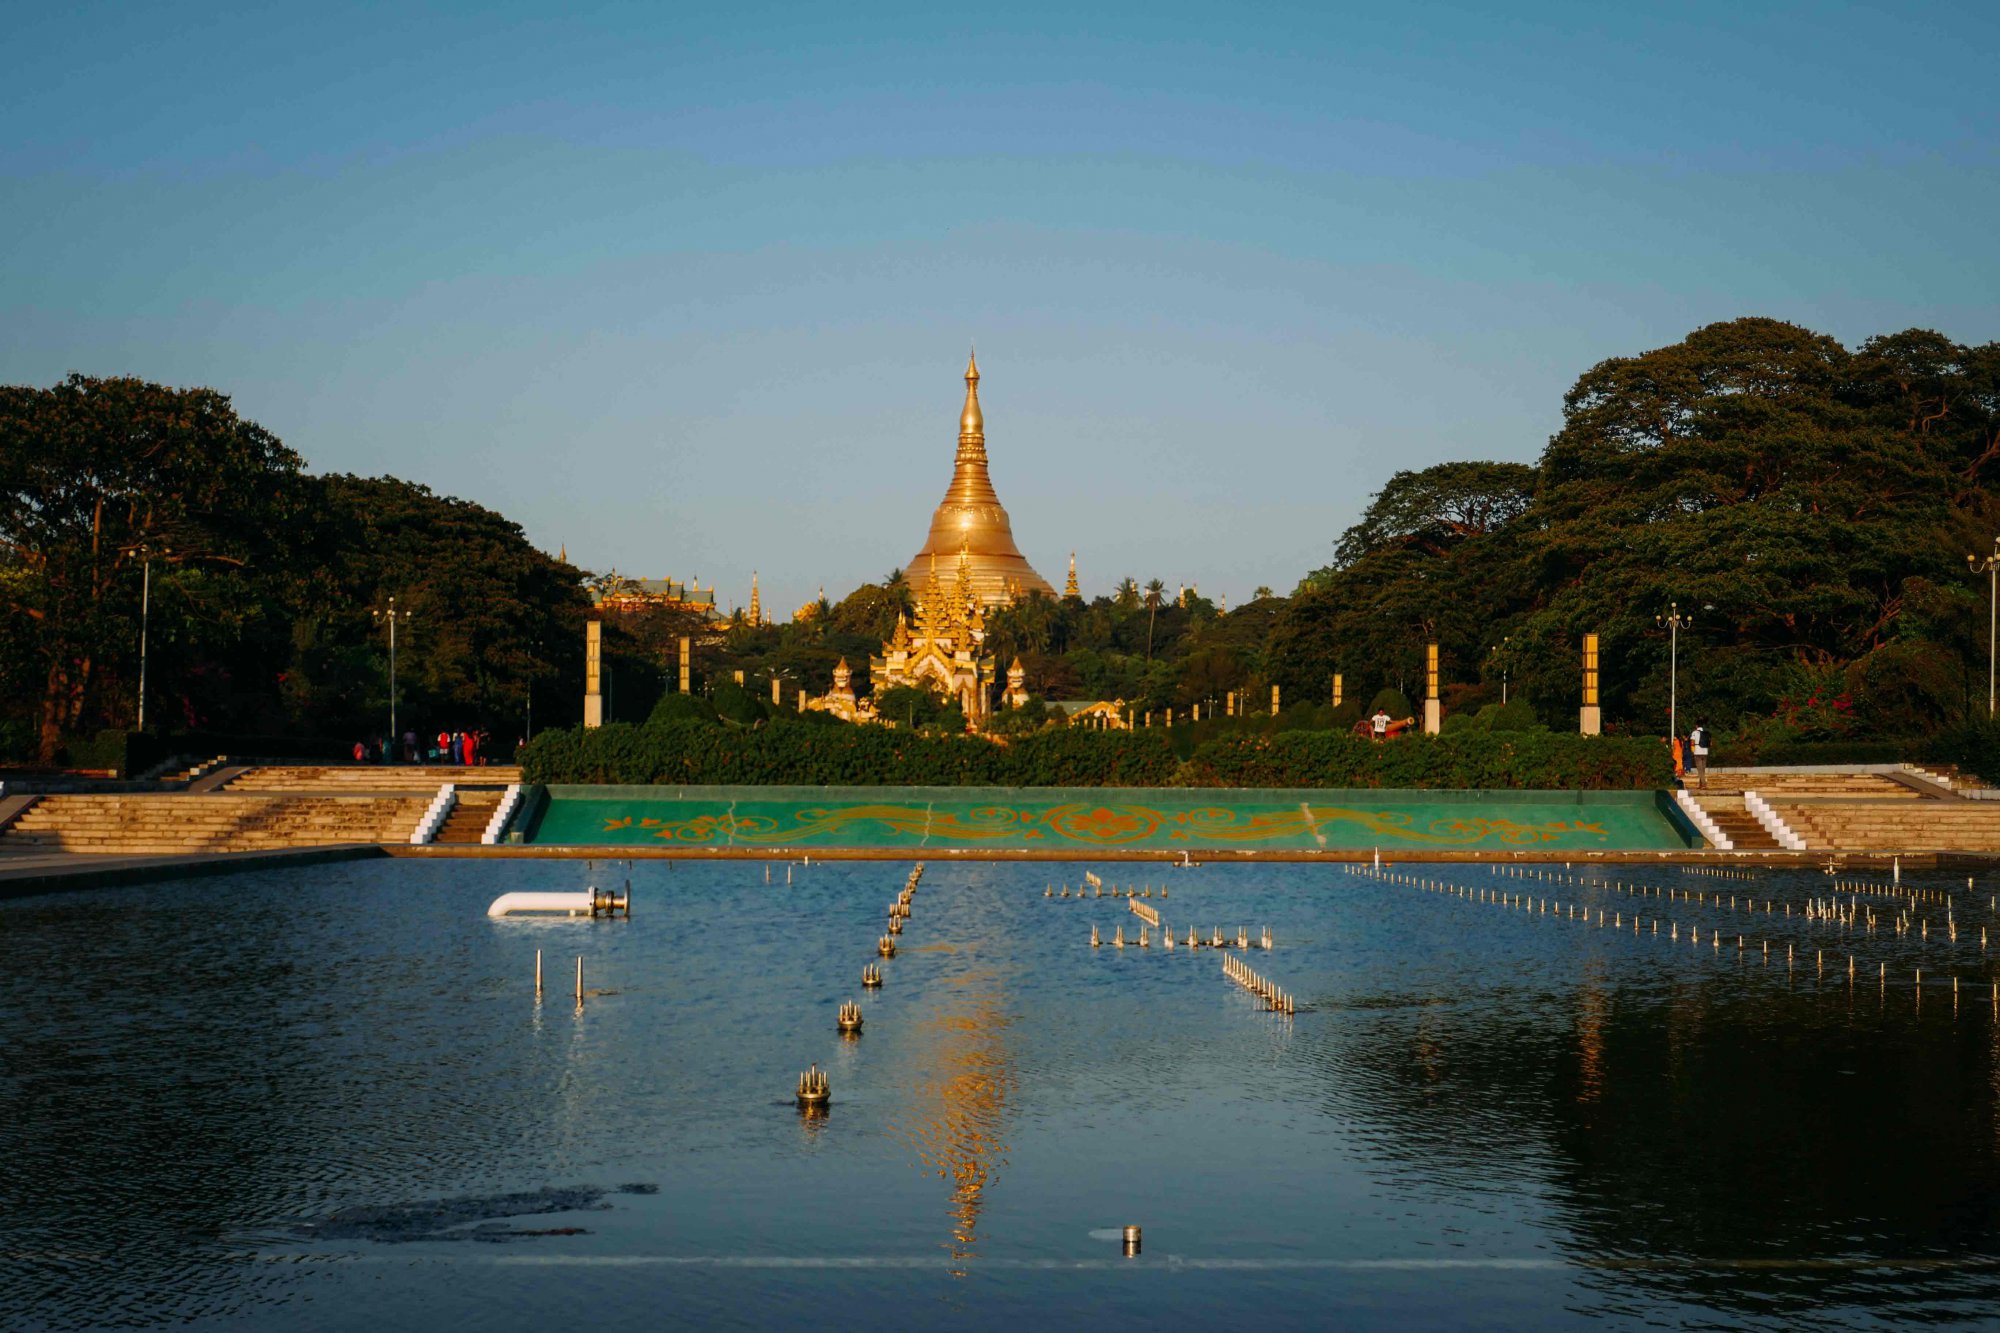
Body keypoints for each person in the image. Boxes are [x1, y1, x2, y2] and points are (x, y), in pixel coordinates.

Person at [1688, 721, 1711, 789]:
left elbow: (1692, 743)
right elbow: (1711, 743)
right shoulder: (1707, 733)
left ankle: (1704, 784)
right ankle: (1701, 785)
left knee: (1700, 770)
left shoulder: (1694, 732)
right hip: (1705, 752)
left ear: (1696, 726)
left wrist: (1692, 749)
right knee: (1703, 770)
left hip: (1698, 752)